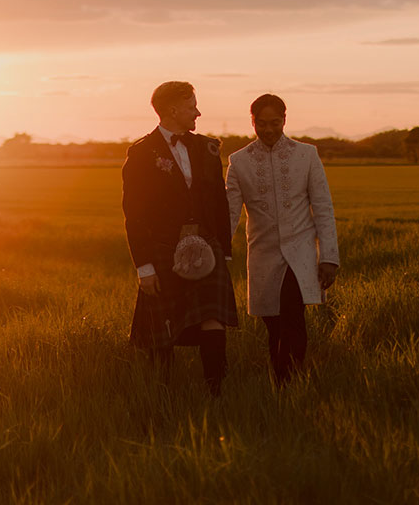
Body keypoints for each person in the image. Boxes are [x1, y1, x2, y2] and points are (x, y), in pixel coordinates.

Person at [122, 81, 238, 396]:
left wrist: (223, 252)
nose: (197, 113)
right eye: (191, 107)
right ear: (172, 110)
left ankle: (217, 393)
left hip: (206, 247)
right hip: (161, 249)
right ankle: (162, 395)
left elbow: (218, 200)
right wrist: (144, 267)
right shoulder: (143, 153)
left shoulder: (207, 148)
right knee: (163, 328)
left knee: (213, 317)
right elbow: (134, 214)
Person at [225, 94, 339, 385]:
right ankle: (281, 381)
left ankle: (288, 383)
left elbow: (323, 208)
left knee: (293, 319)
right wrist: (217, 254)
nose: (268, 130)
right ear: (252, 122)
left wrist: (328, 257)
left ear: (285, 120)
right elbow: (229, 214)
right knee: (274, 326)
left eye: (275, 123)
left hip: (300, 254)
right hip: (263, 256)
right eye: (261, 124)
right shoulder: (238, 162)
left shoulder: (306, 155)